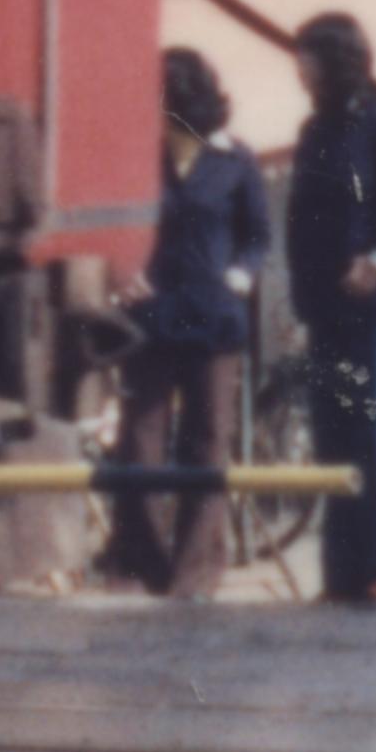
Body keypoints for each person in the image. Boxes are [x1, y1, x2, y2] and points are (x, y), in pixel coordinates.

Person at [280, 5, 376, 610]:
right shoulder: (313, 132)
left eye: (308, 61)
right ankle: (345, 571)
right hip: (329, 313)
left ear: (335, 63)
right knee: (337, 436)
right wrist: (301, 298)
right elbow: (300, 222)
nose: (301, 73)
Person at [103, 49, 268, 596]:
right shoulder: (135, 158)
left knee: (206, 442)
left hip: (215, 319)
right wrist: (122, 271)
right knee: (141, 439)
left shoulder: (236, 161)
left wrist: (241, 276)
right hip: (151, 317)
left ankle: (194, 573)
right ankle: (141, 560)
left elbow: (258, 236)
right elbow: (114, 223)